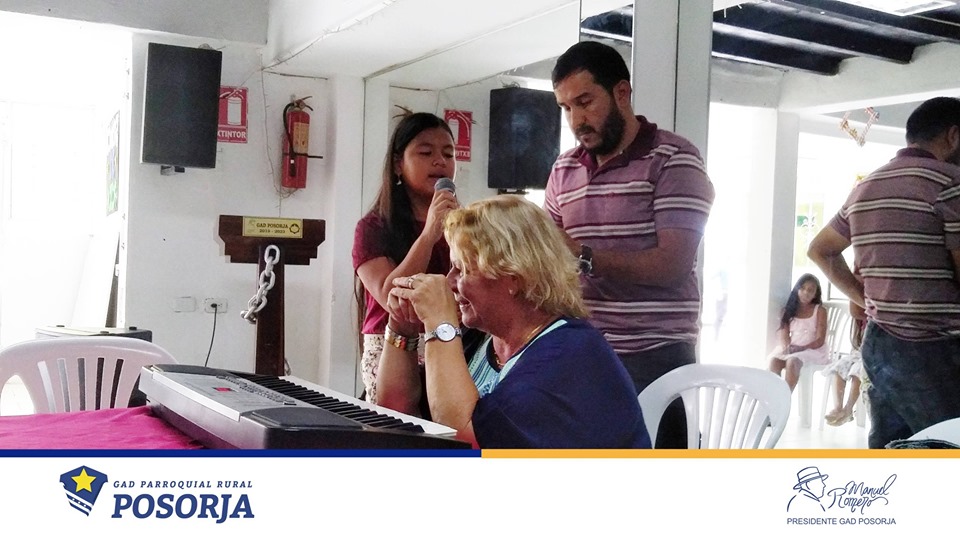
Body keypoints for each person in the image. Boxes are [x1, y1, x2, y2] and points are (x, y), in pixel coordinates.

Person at [545, 40, 715, 448]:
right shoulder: (564, 168)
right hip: (583, 347)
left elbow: (672, 265)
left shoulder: (674, 159)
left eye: (585, 102)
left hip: (655, 353)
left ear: (621, 92)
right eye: (566, 108)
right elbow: (549, 253)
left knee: (654, 475)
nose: (576, 120)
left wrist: (583, 255)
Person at [377, 196, 651, 449]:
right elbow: (396, 413)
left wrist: (440, 324)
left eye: (461, 269)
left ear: (514, 277)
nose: (449, 281)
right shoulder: (481, 338)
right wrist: (402, 328)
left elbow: (465, 441)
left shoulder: (569, 356)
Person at [808, 96, 960, 449]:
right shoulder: (951, 183)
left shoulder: (867, 186)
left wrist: (867, 300)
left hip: (880, 342)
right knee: (946, 447)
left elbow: (820, 249)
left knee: (892, 449)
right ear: (953, 135)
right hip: (936, 347)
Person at [352, 112, 458, 404]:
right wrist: (429, 234)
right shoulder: (373, 227)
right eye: (426, 152)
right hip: (392, 346)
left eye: (448, 154)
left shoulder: (464, 226)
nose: (440, 161)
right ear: (398, 164)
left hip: (451, 342)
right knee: (400, 425)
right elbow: (391, 298)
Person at [767, 274, 829, 392]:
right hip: (794, 348)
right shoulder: (788, 310)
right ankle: (775, 395)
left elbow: (820, 340)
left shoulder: (820, 310)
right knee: (774, 361)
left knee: (792, 361)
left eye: (810, 290)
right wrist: (787, 347)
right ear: (797, 289)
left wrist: (802, 348)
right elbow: (784, 336)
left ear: (816, 294)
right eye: (802, 288)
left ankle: (786, 395)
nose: (806, 293)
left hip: (813, 350)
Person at [823, 300, 867, 427]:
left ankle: (848, 409)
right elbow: (856, 343)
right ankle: (838, 408)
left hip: (872, 356)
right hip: (858, 353)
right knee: (838, 368)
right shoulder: (859, 321)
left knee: (857, 371)